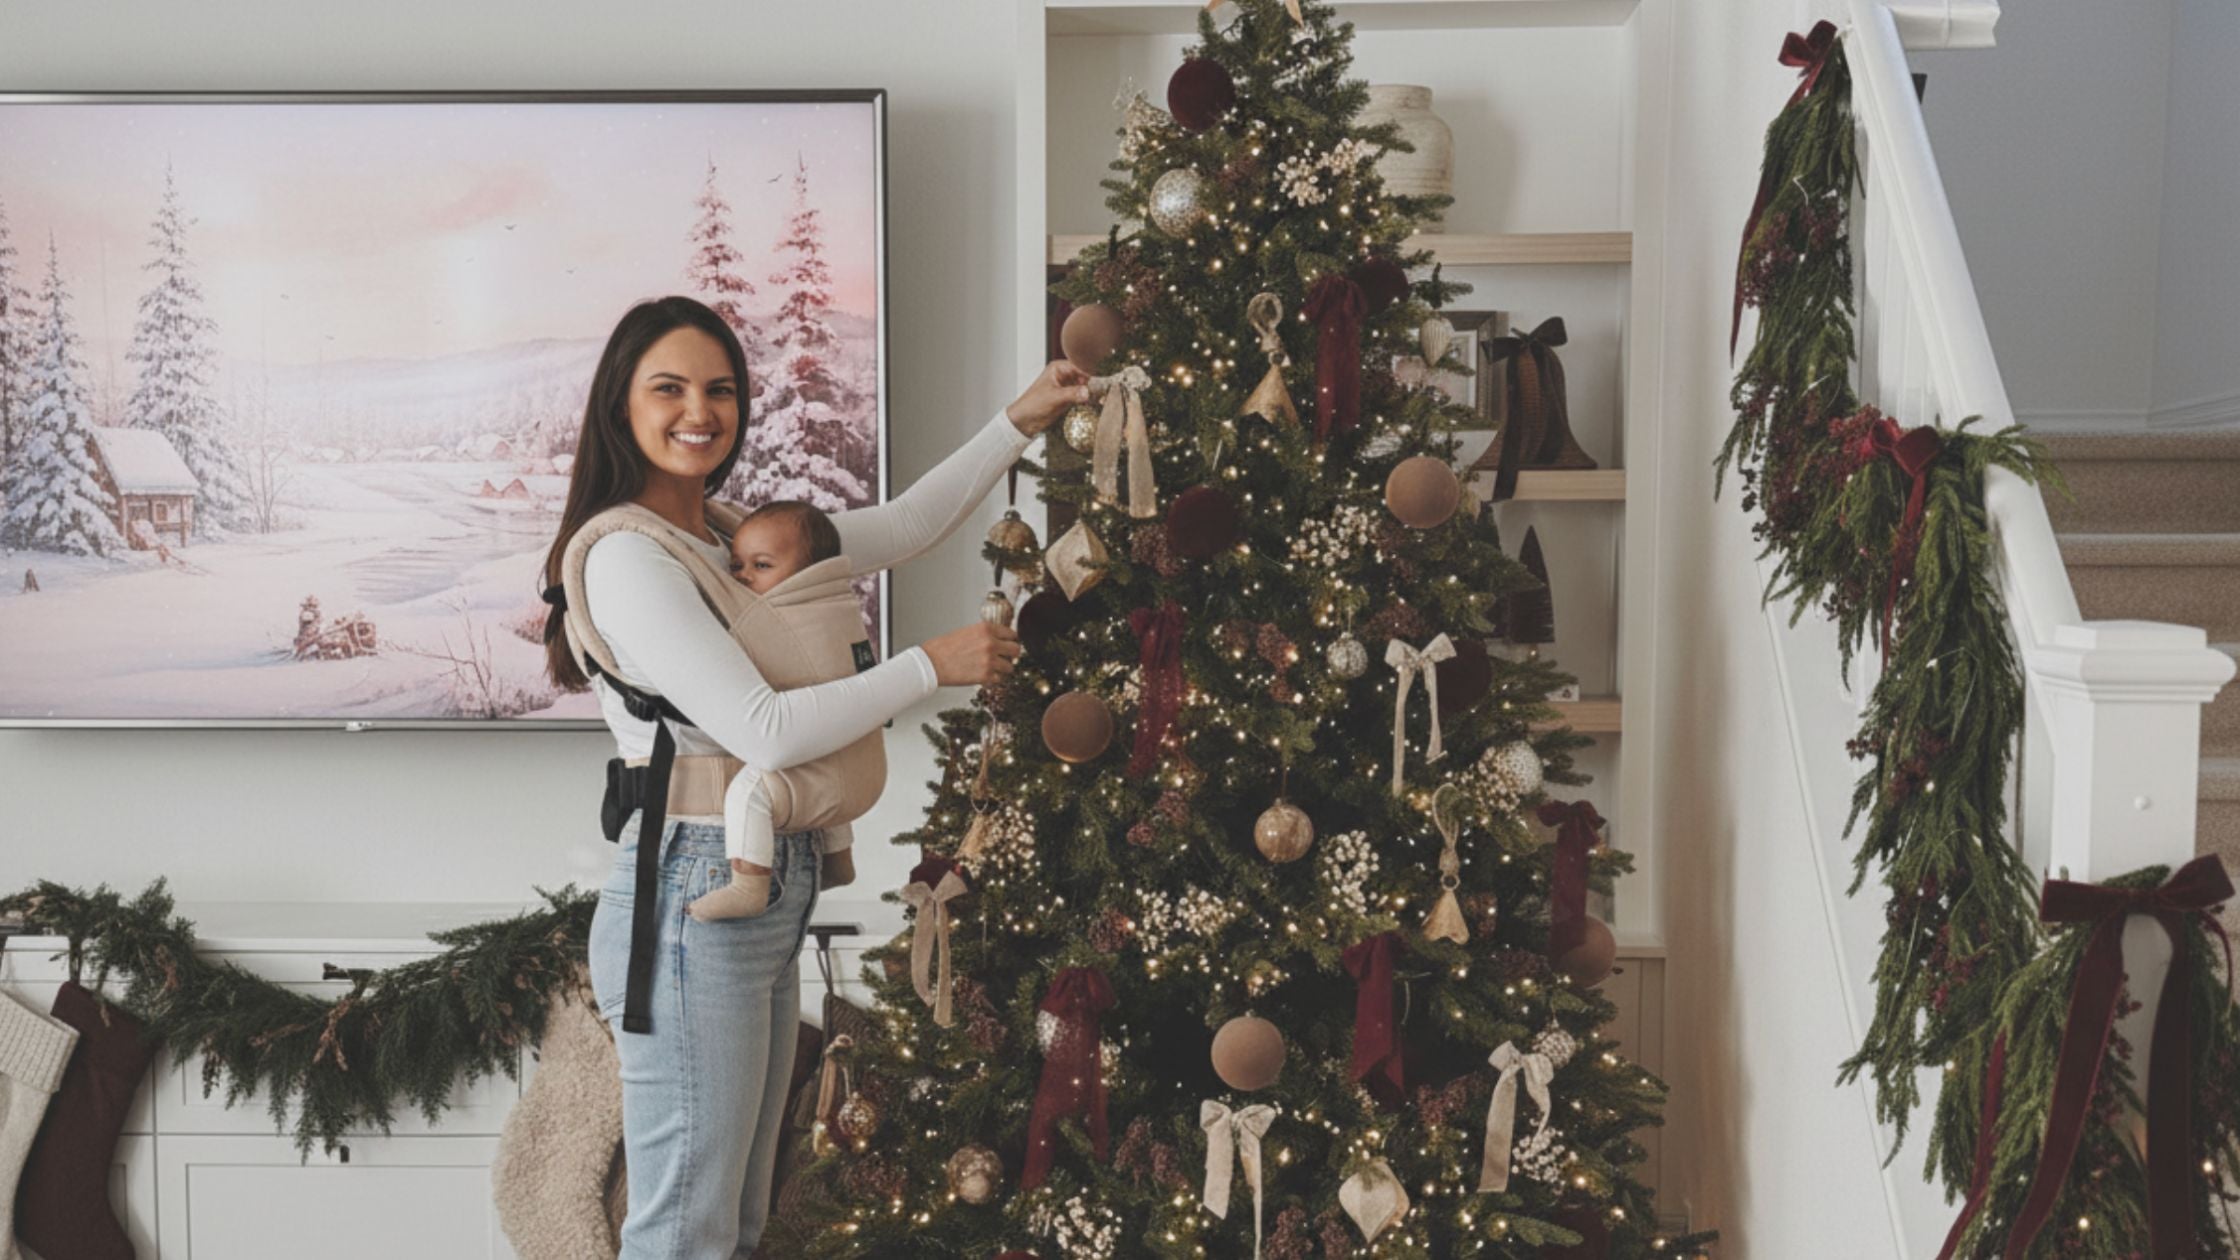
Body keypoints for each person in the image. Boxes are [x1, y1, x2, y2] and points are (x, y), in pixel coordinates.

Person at [539, 295, 1086, 1258]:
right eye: (668, 388)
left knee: (738, 1223)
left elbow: (911, 522)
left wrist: (1023, 417)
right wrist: (930, 665)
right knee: (686, 1229)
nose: (698, 410)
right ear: (619, 404)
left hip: (751, 884)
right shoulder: (627, 554)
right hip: (692, 889)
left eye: (720, 389)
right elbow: (763, 729)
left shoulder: (731, 534)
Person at [693, 499, 860, 923]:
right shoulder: (839, 609)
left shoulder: (777, 620)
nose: (744, 577)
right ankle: (839, 859)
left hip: (803, 740)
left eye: (762, 566)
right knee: (828, 791)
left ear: (807, 574)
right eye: (736, 566)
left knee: (750, 790)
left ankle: (748, 886)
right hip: (848, 755)